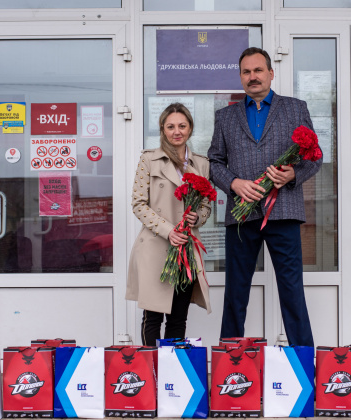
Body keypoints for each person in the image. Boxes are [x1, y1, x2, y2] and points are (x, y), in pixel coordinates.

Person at [207, 47, 322, 346]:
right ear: (240, 77)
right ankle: (229, 359)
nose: (253, 77)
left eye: (258, 70)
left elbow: (315, 157)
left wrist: (293, 174)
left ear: (271, 73)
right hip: (241, 216)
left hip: (284, 212)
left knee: (292, 290)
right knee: (235, 292)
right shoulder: (225, 117)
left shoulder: (295, 109)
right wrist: (234, 184)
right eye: (246, 72)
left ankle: (301, 359)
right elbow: (214, 162)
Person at [127, 103, 212, 346]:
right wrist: (168, 231)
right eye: (171, 126)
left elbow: (206, 205)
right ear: (162, 129)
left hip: (186, 248)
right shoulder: (149, 160)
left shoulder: (201, 164)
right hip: (156, 247)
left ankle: (172, 367)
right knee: (153, 317)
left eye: (182, 126)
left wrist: (198, 217)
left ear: (190, 128)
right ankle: (150, 366)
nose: (177, 131)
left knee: (178, 318)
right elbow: (139, 204)